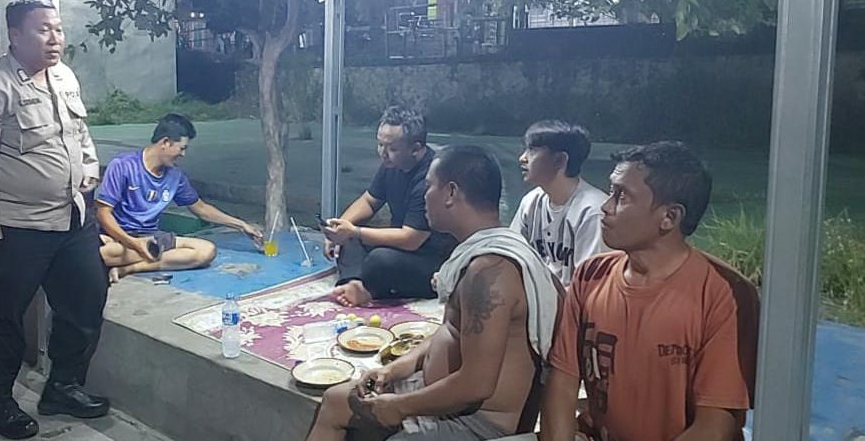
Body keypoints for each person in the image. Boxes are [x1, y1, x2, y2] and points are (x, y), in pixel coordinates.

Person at [307, 145, 563, 441]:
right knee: (336, 401)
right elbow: (452, 331)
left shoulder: (491, 270)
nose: (424, 195)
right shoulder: (476, 254)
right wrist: (395, 370)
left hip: (474, 423)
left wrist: (399, 406)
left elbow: (477, 385)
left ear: (451, 193)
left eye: (429, 186)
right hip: (438, 397)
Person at [0, 0, 109, 440]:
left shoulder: (64, 76)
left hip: (71, 218)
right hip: (18, 226)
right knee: (4, 316)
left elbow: (80, 133)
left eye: (58, 29)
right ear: (16, 35)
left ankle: (63, 386)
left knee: (86, 300)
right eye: (43, 30)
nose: (55, 38)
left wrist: (89, 170)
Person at [540, 141, 760, 441]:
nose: (606, 206)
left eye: (621, 196)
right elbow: (562, 383)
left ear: (670, 217)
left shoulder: (726, 294)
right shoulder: (591, 275)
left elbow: (715, 427)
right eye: (610, 191)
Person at [96, 113, 264, 282]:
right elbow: (103, 213)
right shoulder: (123, 166)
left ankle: (128, 268)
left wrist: (242, 225)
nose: (183, 154)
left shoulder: (175, 176)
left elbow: (201, 209)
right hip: (119, 236)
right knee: (106, 252)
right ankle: (139, 256)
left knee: (206, 251)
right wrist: (133, 243)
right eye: (181, 148)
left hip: (153, 238)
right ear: (165, 142)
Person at [323, 106, 457, 307]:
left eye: (392, 149)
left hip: (429, 257)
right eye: (380, 145)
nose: (383, 154)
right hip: (401, 243)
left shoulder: (430, 178)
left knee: (379, 260)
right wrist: (339, 227)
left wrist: (355, 231)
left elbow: (411, 239)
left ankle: (367, 287)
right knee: (349, 240)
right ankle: (355, 284)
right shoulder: (391, 165)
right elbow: (369, 201)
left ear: (415, 148)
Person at [510, 120, 608, 285]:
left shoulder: (593, 212)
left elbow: (590, 286)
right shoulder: (531, 201)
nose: (522, 158)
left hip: (575, 300)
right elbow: (512, 257)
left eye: (532, 150)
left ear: (560, 160)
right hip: (537, 297)